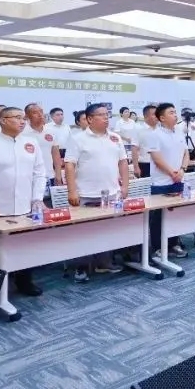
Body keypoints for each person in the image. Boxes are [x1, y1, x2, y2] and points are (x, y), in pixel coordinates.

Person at [0, 106, 45, 296]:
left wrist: (37, 198)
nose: (22, 121)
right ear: (3, 120)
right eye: (17, 117)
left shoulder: (31, 142)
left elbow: (39, 173)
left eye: (23, 118)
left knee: (25, 248)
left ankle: (24, 282)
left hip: (24, 208)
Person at [64, 102, 126, 280]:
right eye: (101, 115)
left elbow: (122, 162)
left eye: (107, 114)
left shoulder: (115, 137)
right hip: (86, 194)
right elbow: (69, 165)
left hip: (111, 193)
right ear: (90, 119)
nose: (106, 118)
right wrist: (72, 191)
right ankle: (81, 267)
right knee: (83, 233)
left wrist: (125, 187)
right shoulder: (78, 138)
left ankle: (104, 263)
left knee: (107, 231)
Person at [144, 103, 190, 259]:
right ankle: (157, 247)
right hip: (161, 182)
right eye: (171, 112)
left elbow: (186, 154)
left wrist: (182, 170)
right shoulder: (155, 134)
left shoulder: (179, 132)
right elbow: (157, 159)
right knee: (158, 217)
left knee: (175, 215)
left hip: (177, 180)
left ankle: (173, 244)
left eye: (175, 112)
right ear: (162, 118)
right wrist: (172, 172)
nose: (175, 115)